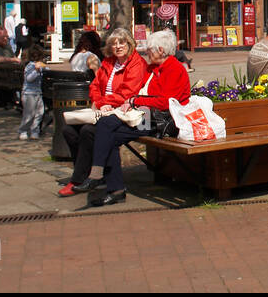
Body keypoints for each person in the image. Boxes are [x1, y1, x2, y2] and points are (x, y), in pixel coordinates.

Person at [71, 30, 191, 207]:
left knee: (106, 130)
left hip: (160, 121)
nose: (147, 53)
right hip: (143, 116)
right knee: (107, 131)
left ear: (160, 50)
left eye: (149, 49)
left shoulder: (174, 69)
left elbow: (166, 102)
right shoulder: (151, 68)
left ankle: (101, 178)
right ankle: (112, 187)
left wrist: (134, 101)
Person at [59, 28, 150, 199]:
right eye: (114, 43)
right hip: (104, 109)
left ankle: (79, 180)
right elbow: (94, 85)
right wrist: (100, 102)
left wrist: (104, 103)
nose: (117, 46)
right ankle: (86, 174)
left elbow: (127, 92)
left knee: (88, 131)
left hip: (124, 111)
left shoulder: (136, 63)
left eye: (121, 42)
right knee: (69, 130)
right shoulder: (109, 62)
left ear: (129, 43)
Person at [19, 42, 49, 140]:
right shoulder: (30, 66)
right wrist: (36, 70)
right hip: (29, 94)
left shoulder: (39, 66)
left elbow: (47, 69)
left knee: (40, 112)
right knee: (29, 114)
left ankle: (34, 130)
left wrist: (43, 67)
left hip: (38, 93)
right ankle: (23, 130)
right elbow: (29, 78)